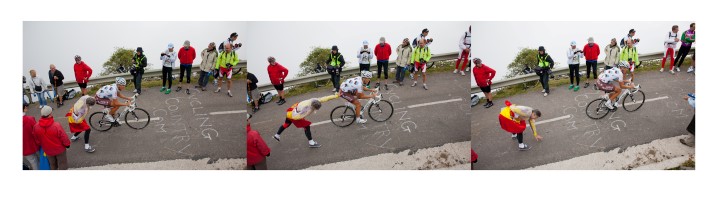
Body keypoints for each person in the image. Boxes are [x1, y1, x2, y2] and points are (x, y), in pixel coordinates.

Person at [272, 94, 339, 148]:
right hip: (295, 115)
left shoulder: (315, 101)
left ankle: (277, 135)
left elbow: (325, 98)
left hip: (292, 109)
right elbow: (297, 117)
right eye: (315, 109)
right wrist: (302, 119)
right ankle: (311, 143)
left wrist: (336, 95)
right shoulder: (306, 109)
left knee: (286, 124)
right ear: (312, 106)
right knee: (306, 126)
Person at [23, 103, 39, 170]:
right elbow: (37, 131)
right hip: (33, 144)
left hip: (23, 148)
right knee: (37, 160)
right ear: (25, 108)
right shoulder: (30, 119)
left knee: (33, 161)